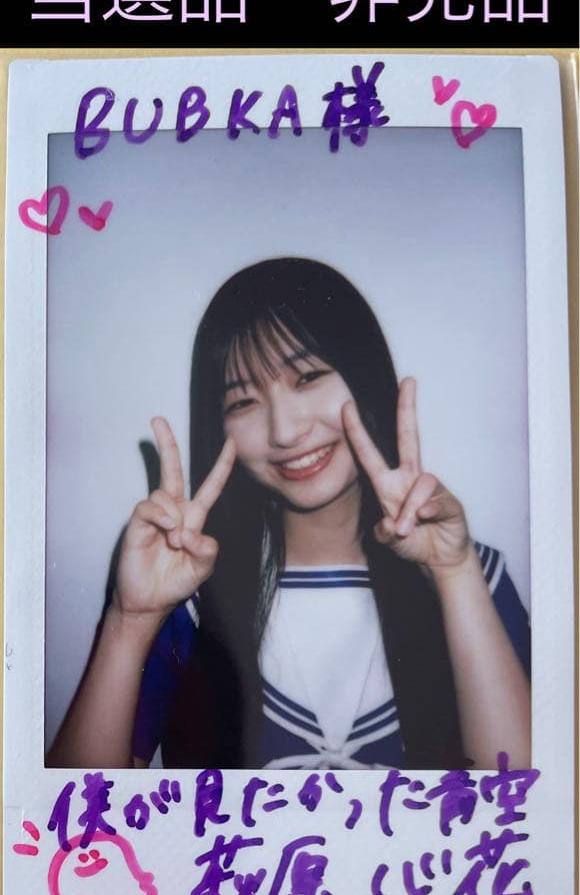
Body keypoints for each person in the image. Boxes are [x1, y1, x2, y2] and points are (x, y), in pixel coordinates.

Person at [48, 258, 531, 771]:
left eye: (308, 377)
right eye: (243, 401)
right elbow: (79, 810)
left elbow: (525, 798)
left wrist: (454, 573)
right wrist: (130, 620)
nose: (284, 431)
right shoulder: (185, 594)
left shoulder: (472, 573)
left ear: (364, 375)